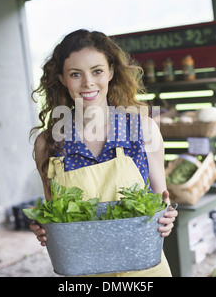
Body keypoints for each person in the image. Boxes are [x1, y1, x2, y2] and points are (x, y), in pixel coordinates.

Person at [29, 29, 178, 277]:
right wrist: (44, 228)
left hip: (145, 272)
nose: (88, 82)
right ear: (62, 79)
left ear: (110, 71)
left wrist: (168, 217)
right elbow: (54, 214)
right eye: (76, 74)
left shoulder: (143, 130)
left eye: (97, 71)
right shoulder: (49, 143)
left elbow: (161, 201)